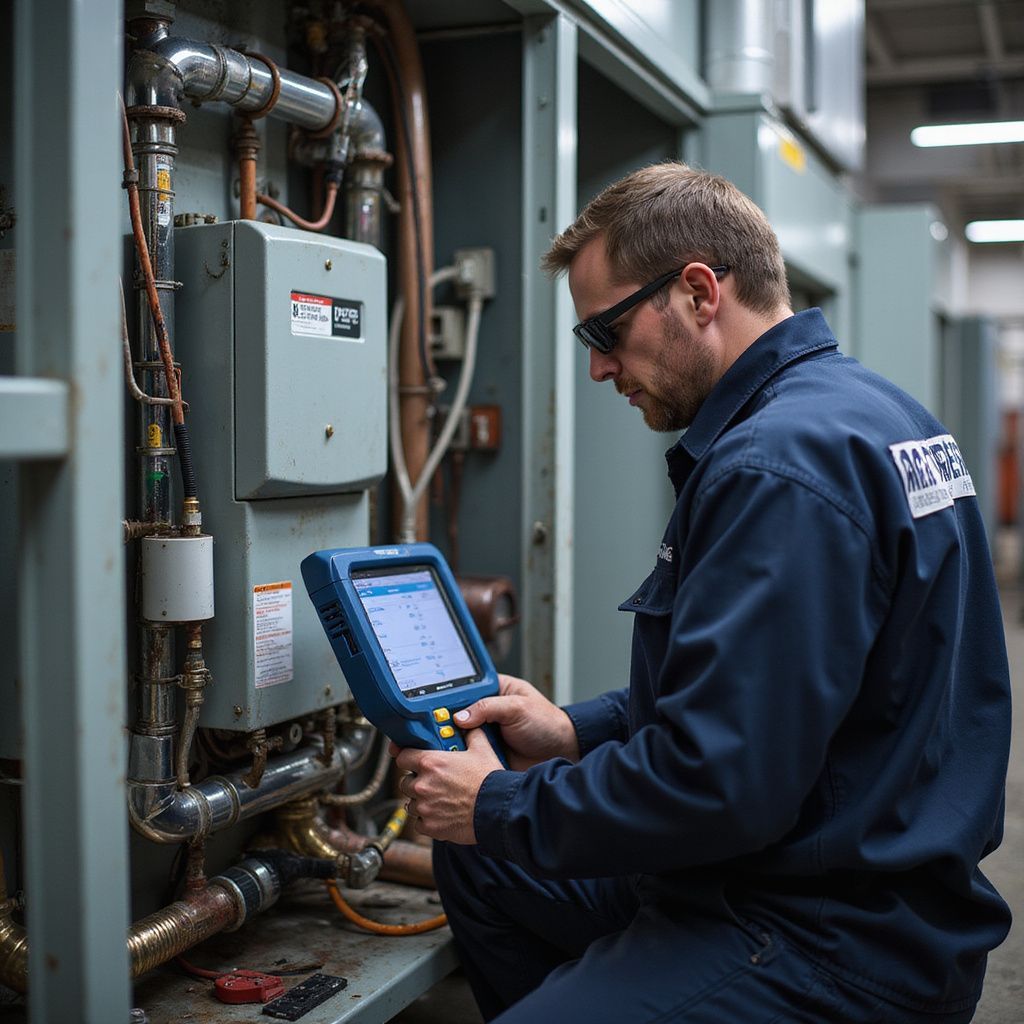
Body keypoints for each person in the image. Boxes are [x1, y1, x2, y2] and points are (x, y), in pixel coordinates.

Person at [392, 162, 1012, 1023]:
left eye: (603, 333)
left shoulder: (777, 466)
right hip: (833, 865)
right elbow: (774, 694)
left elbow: (723, 784)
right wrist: (577, 730)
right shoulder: (875, 412)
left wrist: (497, 800)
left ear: (696, 292)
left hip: (828, 934)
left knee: (489, 833)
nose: (602, 369)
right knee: (481, 858)